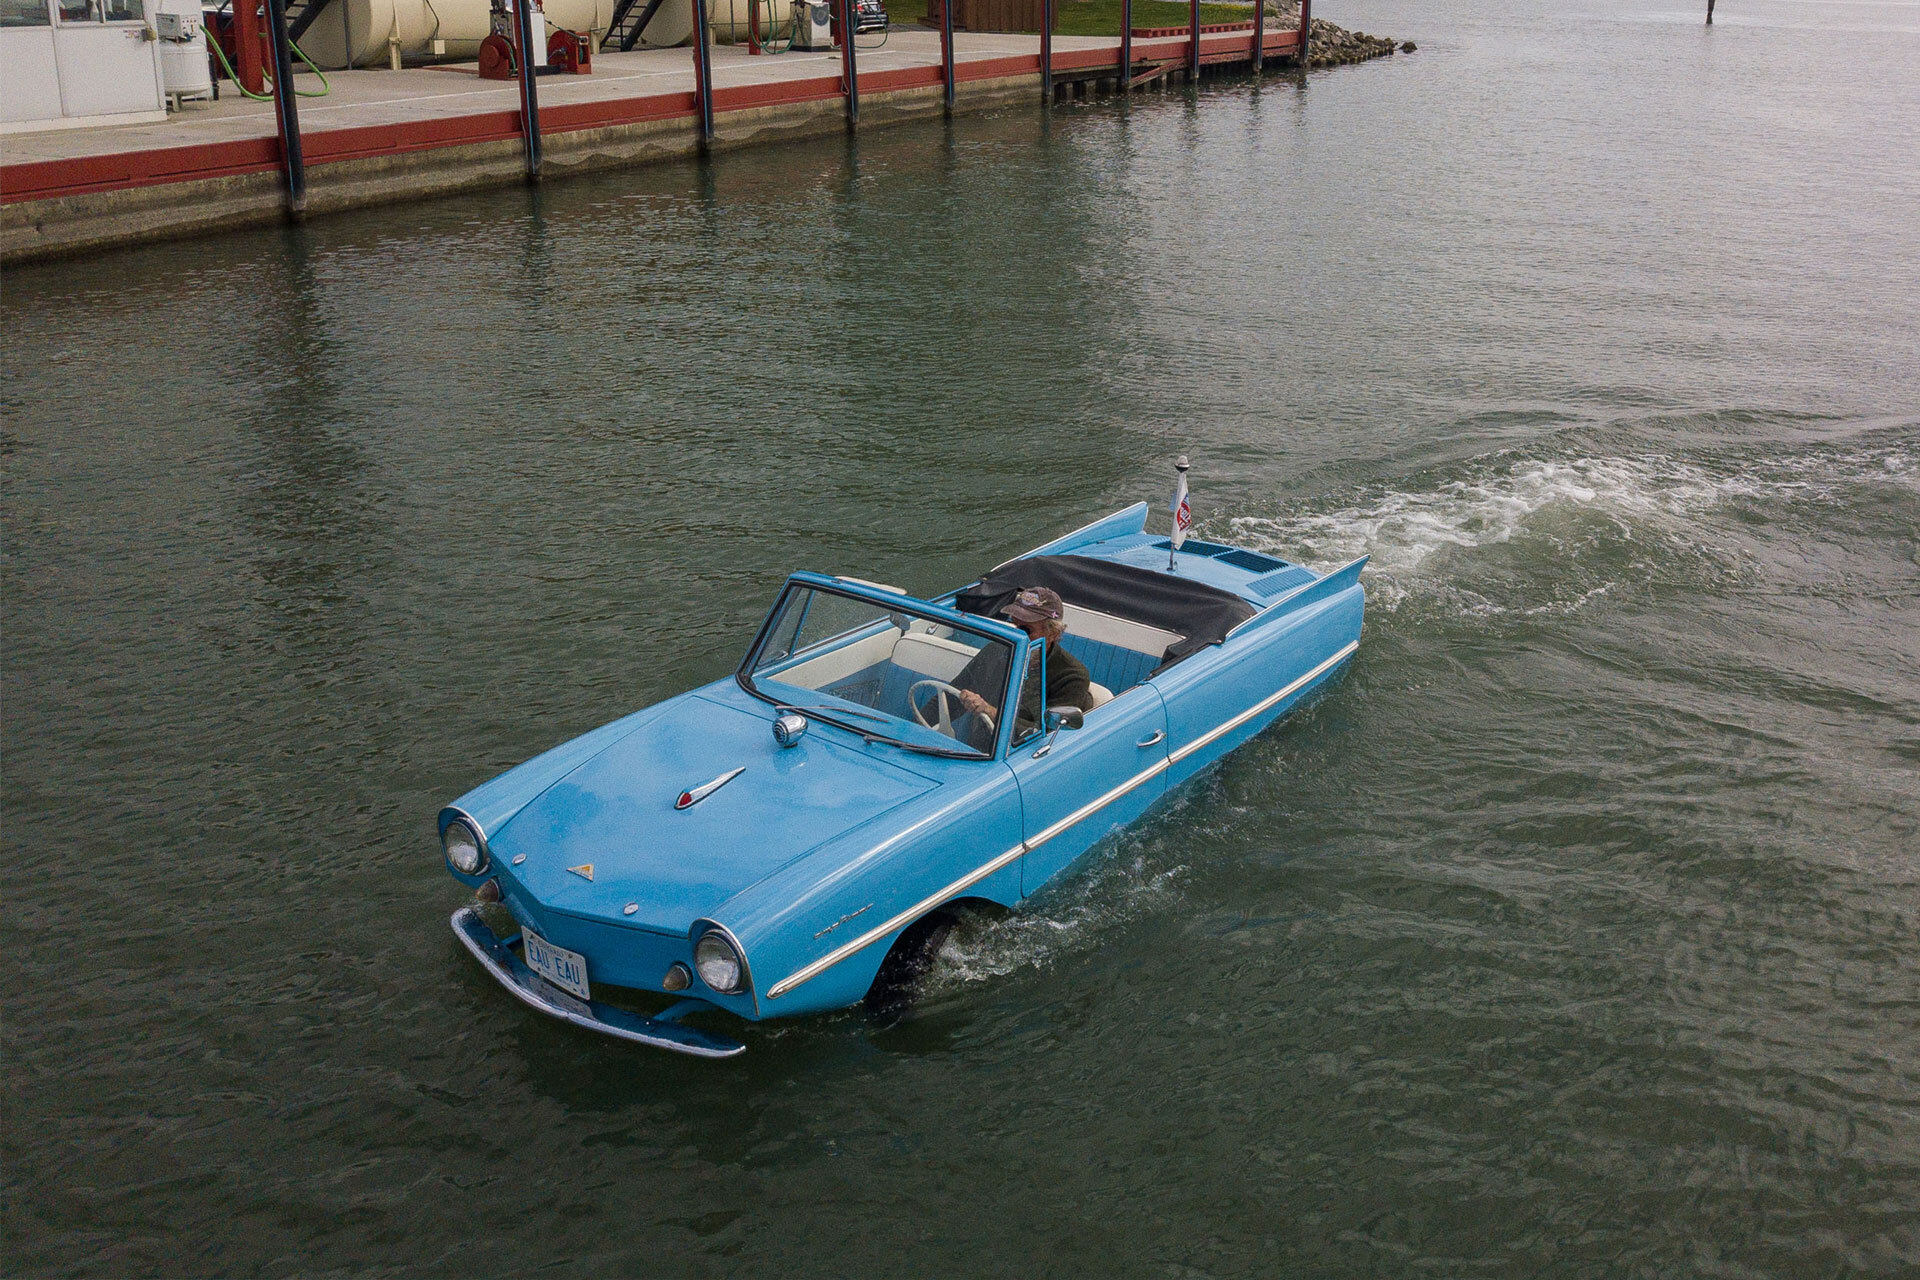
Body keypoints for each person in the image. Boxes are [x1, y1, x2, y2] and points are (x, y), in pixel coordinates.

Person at [951, 586, 1093, 742]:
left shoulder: (1072, 676)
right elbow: (951, 697)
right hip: (977, 746)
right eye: (1014, 626)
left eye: (1025, 630)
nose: (1017, 636)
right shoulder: (995, 651)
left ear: (1053, 633)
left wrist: (989, 711)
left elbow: (1045, 736)